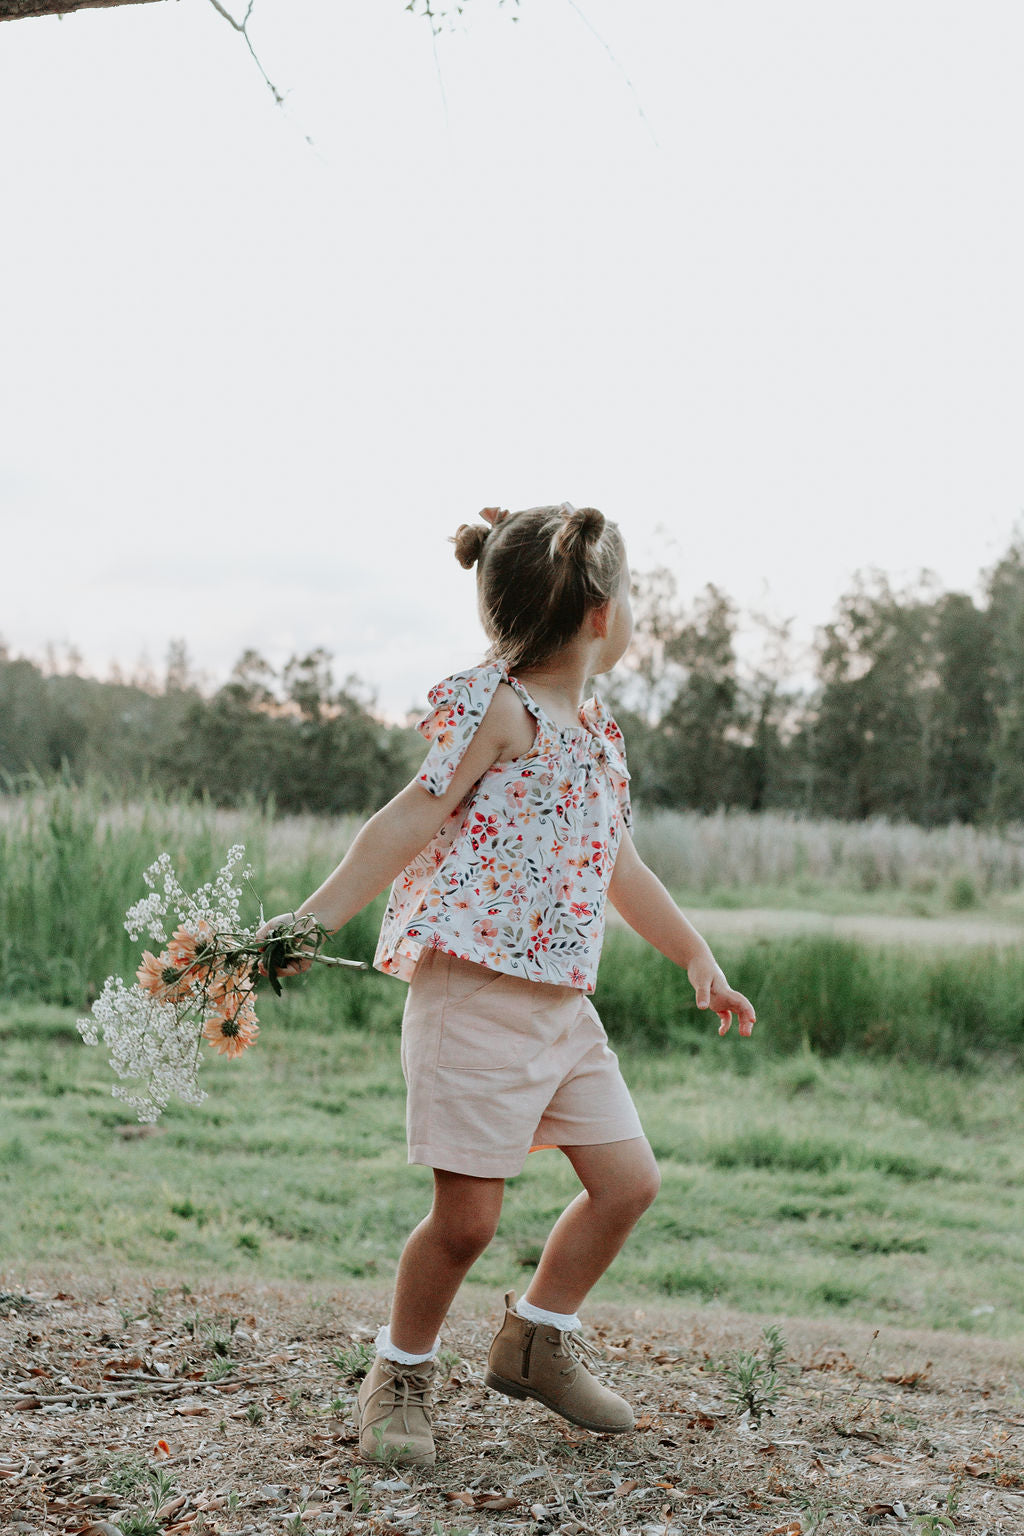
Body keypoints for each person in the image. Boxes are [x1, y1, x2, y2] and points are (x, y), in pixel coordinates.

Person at [257, 503, 756, 1467]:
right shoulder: (497, 709)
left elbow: (622, 866)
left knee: (627, 1182)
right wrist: (312, 918)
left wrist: (696, 953)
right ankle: (400, 1371)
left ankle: (536, 1338)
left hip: (564, 1014)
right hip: (472, 1004)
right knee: (467, 1221)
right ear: (602, 614)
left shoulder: (597, 734)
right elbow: (405, 819)